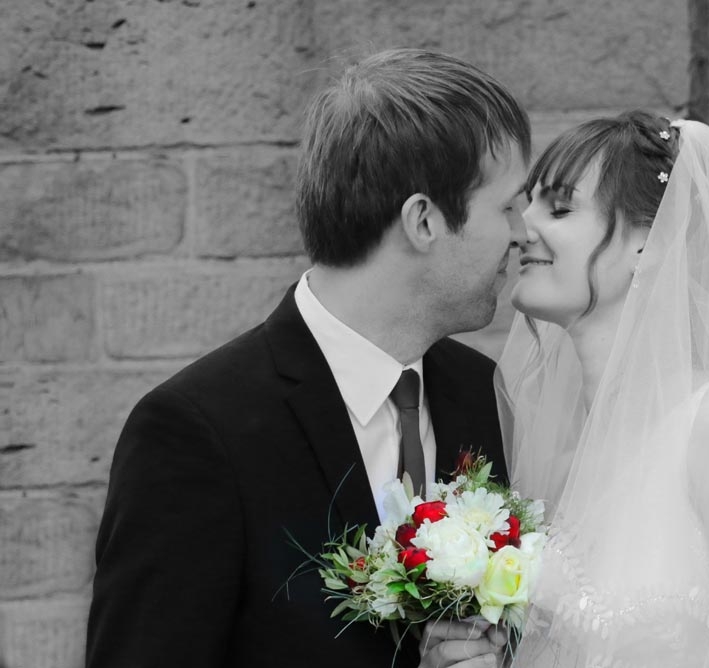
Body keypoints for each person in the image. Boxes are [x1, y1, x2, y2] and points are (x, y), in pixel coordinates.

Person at [87, 48, 529, 668]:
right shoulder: (198, 431)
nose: (523, 232)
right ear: (424, 221)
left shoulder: (483, 392)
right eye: (508, 206)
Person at [495, 111, 709, 666]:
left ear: (650, 244)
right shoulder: (559, 445)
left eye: (558, 208)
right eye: (525, 204)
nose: (521, 228)